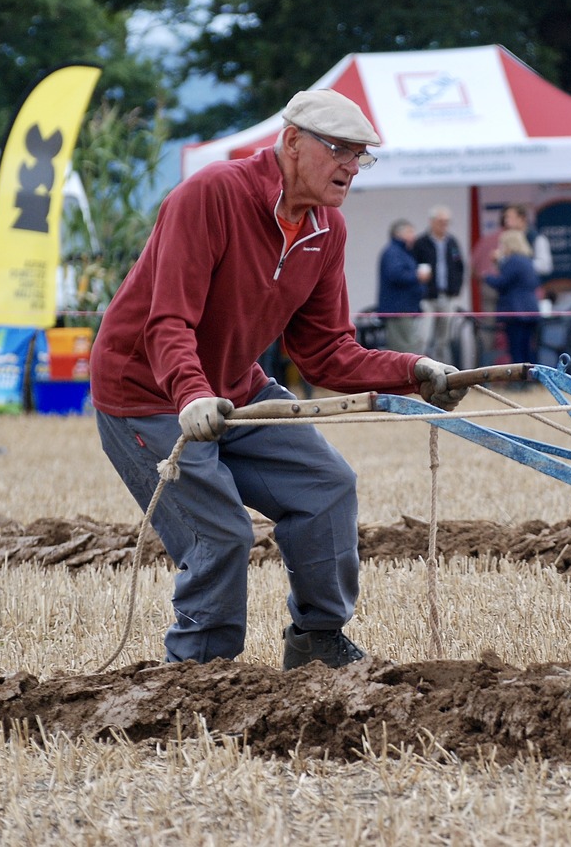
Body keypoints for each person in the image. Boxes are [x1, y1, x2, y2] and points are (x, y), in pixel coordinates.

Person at [88, 88, 467, 672]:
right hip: (148, 395)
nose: (351, 166)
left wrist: (413, 372)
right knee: (221, 534)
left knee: (327, 486)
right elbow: (169, 321)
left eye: (361, 155)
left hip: (235, 389)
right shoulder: (211, 195)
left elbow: (326, 352)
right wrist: (189, 393)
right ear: (292, 142)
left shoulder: (327, 230)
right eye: (340, 150)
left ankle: (317, 638)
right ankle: (195, 677)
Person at [412, 205, 465, 365]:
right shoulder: (421, 242)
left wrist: (456, 289)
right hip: (428, 297)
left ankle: (442, 371)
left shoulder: (452, 242)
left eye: (447, 222)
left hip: (447, 296)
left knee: (444, 339)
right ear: (432, 222)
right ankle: (419, 368)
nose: (444, 225)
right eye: (441, 221)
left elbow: (460, 267)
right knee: (423, 337)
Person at [485, 229, 540, 366]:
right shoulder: (527, 260)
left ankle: (520, 382)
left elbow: (502, 282)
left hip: (516, 311)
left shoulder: (513, 261)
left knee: (516, 349)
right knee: (528, 347)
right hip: (530, 309)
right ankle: (531, 379)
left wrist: (486, 276)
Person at [376, 218, 428, 354]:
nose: (414, 236)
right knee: (404, 349)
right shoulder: (393, 252)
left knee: (411, 346)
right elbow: (395, 275)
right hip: (399, 309)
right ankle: (405, 376)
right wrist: (417, 276)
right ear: (398, 234)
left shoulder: (403, 252)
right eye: (410, 232)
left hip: (407, 308)